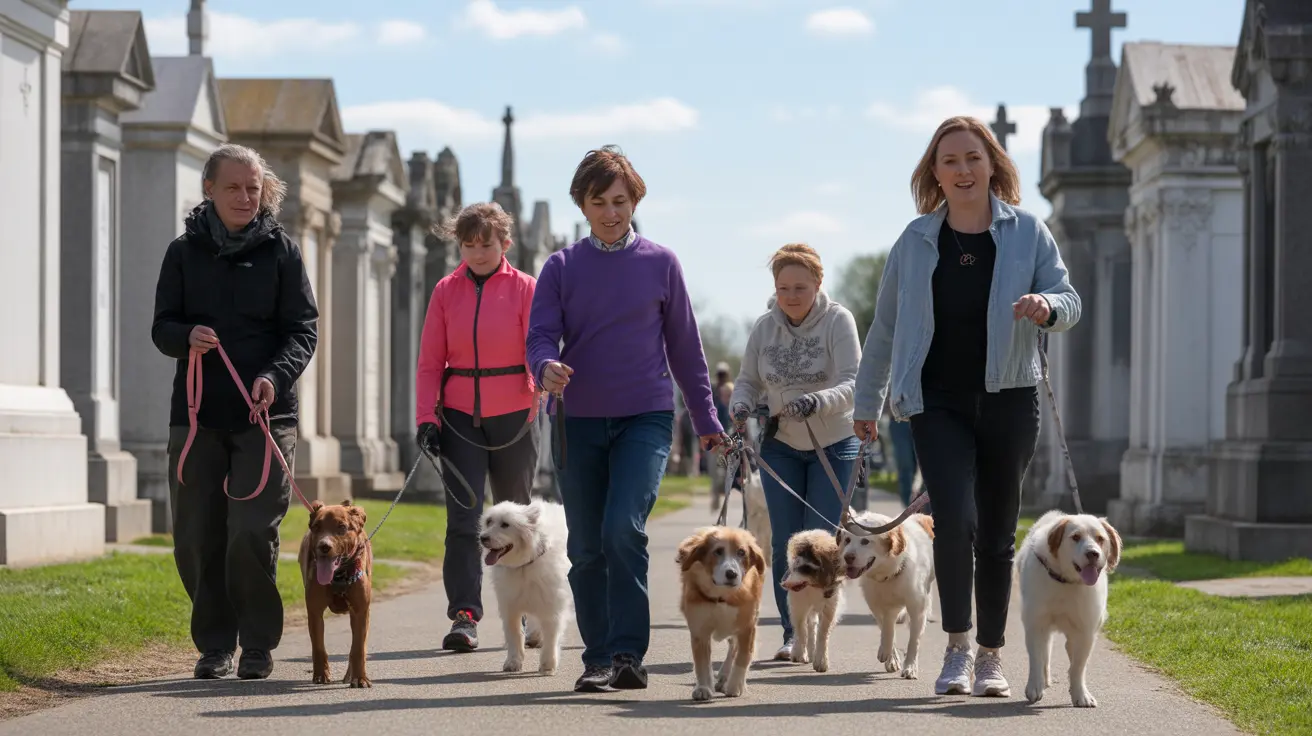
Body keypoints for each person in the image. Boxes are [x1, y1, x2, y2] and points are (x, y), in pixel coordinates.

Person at [852, 115, 1081, 698]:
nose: (962, 170)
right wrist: (867, 402)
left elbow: (1070, 298)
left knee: (998, 533)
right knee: (954, 519)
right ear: (935, 171)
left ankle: (990, 657)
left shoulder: (1029, 232)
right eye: (949, 160)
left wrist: (1046, 306)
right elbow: (883, 330)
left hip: (1011, 398)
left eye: (973, 158)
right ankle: (955, 649)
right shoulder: (915, 240)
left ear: (993, 165)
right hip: (937, 402)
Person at [526, 145, 727, 693]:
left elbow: (686, 349)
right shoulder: (561, 267)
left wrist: (707, 419)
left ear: (634, 200)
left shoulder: (661, 263)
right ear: (583, 205)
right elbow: (540, 333)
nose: (611, 212)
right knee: (587, 545)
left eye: (620, 201)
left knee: (623, 530)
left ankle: (628, 654)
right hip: (579, 421)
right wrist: (544, 366)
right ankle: (596, 659)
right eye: (599, 202)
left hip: (645, 417)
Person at [151, 143, 318, 681]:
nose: (246, 197)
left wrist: (273, 376)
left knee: (251, 529)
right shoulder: (182, 252)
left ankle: (258, 645)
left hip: (266, 417)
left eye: (253, 187)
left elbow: (303, 330)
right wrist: (186, 336)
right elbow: (161, 327)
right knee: (198, 534)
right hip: (198, 416)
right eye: (234, 187)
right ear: (210, 190)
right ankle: (215, 644)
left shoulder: (283, 252)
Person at [414, 202, 541, 653]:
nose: (477, 253)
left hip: (515, 416)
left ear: (504, 243)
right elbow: (430, 361)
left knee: (519, 521)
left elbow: (538, 348)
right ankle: (465, 616)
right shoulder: (446, 291)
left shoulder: (527, 287)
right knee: (464, 521)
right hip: (459, 417)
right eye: (467, 245)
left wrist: (534, 394)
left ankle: (526, 612)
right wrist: (426, 418)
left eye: (485, 244)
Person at [728, 243, 862, 661]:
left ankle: (820, 630)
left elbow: (853, 381)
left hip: (833, 444)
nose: (791, 296)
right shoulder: (764, 327)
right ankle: (793, 635)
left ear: (818, 284)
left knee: (819, 543)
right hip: (780, 445)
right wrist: (740, 403)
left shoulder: (838, 321)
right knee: (787, 543)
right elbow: (748, 379)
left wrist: (816, 401)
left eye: (800, 287)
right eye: (783, 287)